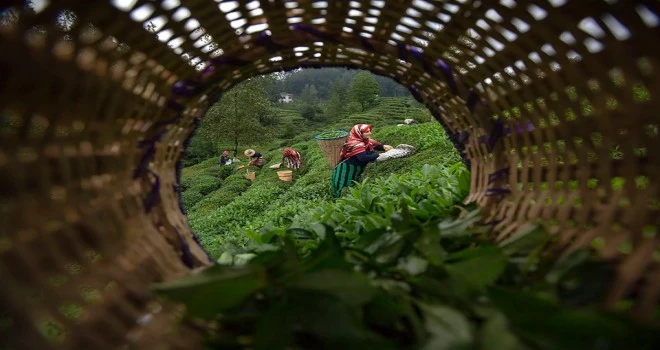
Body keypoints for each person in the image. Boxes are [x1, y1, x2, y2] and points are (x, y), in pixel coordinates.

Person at [331, 124, 392, 198]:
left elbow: (375, 145)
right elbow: (362, 158)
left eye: (369, 131)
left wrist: (384, 147)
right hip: (347, 168)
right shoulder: (356, 143)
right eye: (366, 132)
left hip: (357, 167)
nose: (370, 133)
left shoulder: (366, 140)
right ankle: (339, 201)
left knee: (354, 184)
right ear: (359, 133)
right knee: (344, 185)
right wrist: (379, 155)